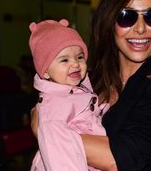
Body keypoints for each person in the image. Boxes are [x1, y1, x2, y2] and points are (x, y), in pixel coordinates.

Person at [31, 0, 151, 171]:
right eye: (127, 16)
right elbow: (46, 105)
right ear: (109, 22)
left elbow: (120, 158)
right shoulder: (88, 79)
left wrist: (49, 133)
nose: (141, 28)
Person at [28, 19, 109, 171]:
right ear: (45, 71)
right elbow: (60, 160)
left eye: (79, 57)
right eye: (64, 60)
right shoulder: (53, 106)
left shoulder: (74, 92)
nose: (75, 63)